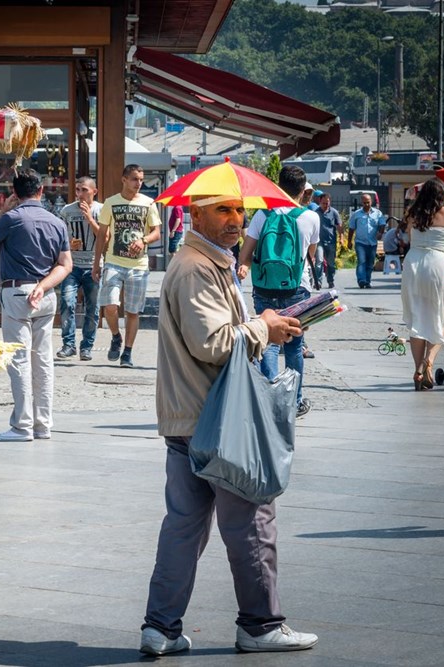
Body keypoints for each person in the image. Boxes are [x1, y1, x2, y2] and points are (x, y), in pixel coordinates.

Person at [140, 193, 317, 656]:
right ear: (194, 214)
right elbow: (213, 343)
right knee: (253, 520)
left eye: (239, 210)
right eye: (222, 210)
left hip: (191, 417)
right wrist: (264, 328)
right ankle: (261, 625)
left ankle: (160, 628)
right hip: (215, 419)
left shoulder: (205, 262)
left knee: (183, 527)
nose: (235, 220)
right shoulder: (197, 267)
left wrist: (260, 321)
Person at [0, 168, 71, 442]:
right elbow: (65, 265)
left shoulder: (11, 218)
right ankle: (43, 424)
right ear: (41, 191)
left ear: (15, 194)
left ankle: (22, 425)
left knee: (19, 360)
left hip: (17, 291)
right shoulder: (57, 222)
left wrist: (1, 212)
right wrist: (43, 286)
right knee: (43, 360)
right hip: (46, 294)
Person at [238, 166, 319, 418]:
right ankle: (295, 402)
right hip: (297, 287)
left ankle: (271, 400)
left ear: (277, 185)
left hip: (264, 287)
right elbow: (310, 255)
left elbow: (246, 253)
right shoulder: (310, 217)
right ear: (302, 188)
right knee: (294, 346)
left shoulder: (263, 215)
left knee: (269, 343)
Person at [92, 164, 163, 368]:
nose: (138, 183)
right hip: (114, 261)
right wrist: (97, 263)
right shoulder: (111, 203)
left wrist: (144, 240)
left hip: (138, 266)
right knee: (110, 306)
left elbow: (156, 231)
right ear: (124, 179)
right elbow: (102, 234)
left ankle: (128, 352)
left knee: (133, 311)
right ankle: (116, 336)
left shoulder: (148, 203)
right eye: (134, 179)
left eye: (141, 179)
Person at [400, 178, 444, 390]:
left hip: (414, 263)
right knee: (442, 315)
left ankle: (418, 368)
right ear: (443, 195)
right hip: (437, 263)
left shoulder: (412, 213)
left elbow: (408, 235)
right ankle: (429, 360)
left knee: (417, 316)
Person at [56, 176, 103, 361]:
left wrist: (90, 218)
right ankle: (69, 344)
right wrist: (68, 245)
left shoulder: (101, 209)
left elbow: (104, 237)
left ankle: (87, 347)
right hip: (72, 266)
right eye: (77, 190)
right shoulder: (67, 211)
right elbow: (60, 239)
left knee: (93, 308)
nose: (80, 194)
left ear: (94, 191)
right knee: (67, 302)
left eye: (84, 190)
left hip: (94, 264)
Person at [347, 192, 385, 288]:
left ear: (371, 202)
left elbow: (382, 224)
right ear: (361, 203)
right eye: (364, 203)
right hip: (360, 242)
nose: (366, 205)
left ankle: (367, 281)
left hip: (372, 243)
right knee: (361, 261)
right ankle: (361, 280)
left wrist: (380, 232)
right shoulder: (356, 214)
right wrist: (349, 241)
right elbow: (351, 228)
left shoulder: (378, 213)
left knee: (370, 263)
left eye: (368, 202)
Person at [314, 192, 342, 289]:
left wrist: (341, 238)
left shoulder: (334, 212)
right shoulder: (315, 213)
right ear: (320, 202)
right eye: (324, 203)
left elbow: (339, 226)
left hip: (331, 241)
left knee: (331, 264)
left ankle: (330, 280)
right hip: (319, 241)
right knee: (319, 261)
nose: (326, 205)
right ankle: (318, 281)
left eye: (327, 203)